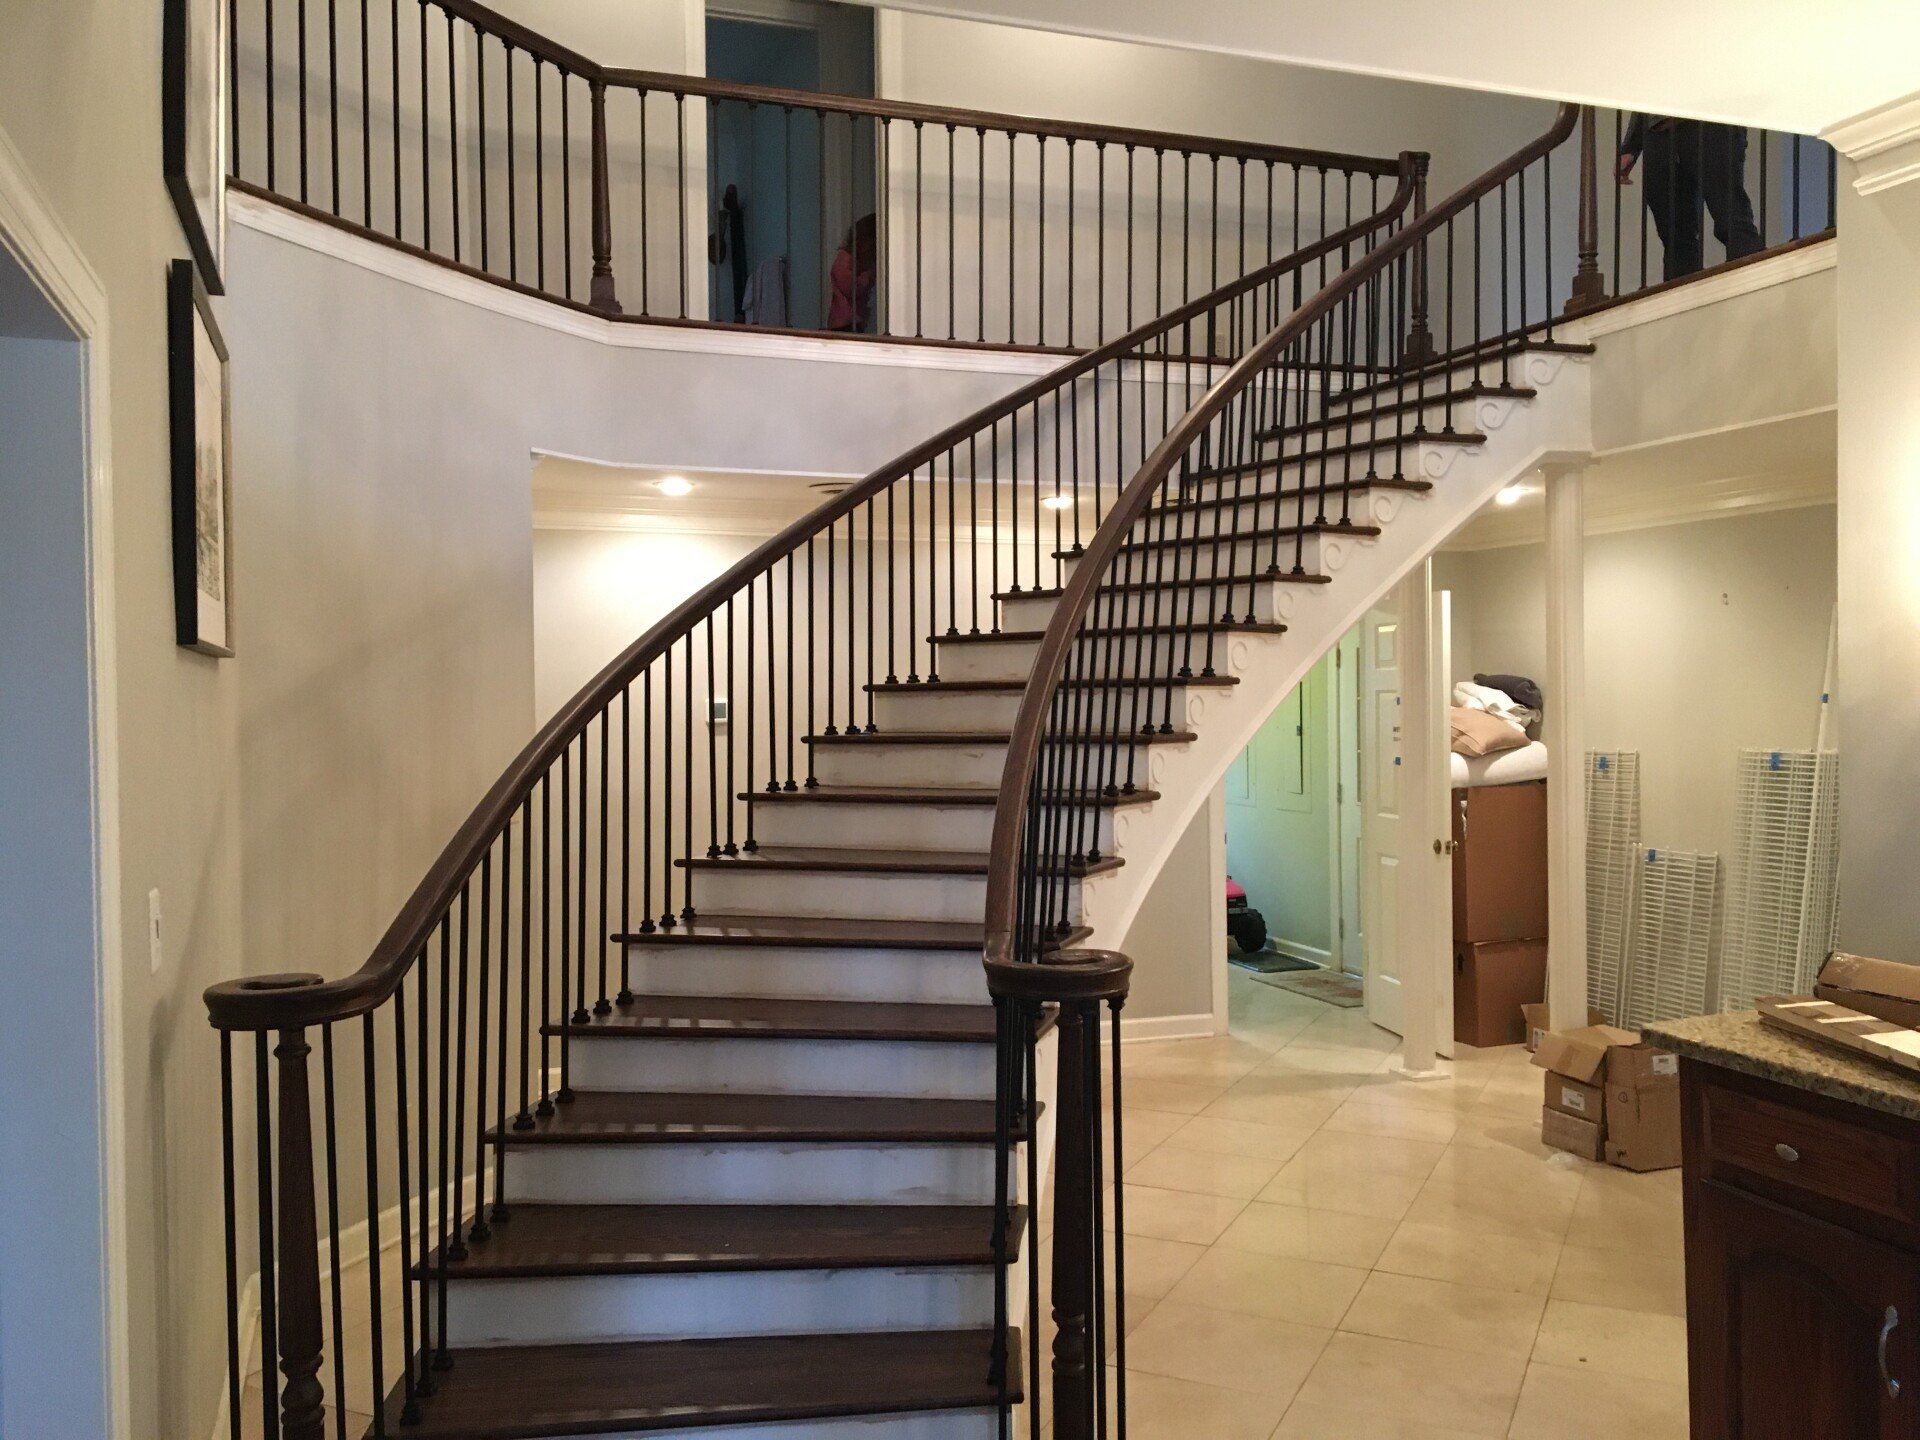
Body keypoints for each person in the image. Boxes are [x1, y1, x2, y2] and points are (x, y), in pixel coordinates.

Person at [1617, 115, 1764, 282]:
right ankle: (1681, 296)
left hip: (1710, 119)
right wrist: (1631, 146)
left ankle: (1751, 282)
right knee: (1674, 234)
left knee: (1729, 215)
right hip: (1659, 132)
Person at [828, 213, 877, 333]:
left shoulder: (856, 260)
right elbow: (849, 288)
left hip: (853, 319)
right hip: (843, 321)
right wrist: (867, 277)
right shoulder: (845, 259)